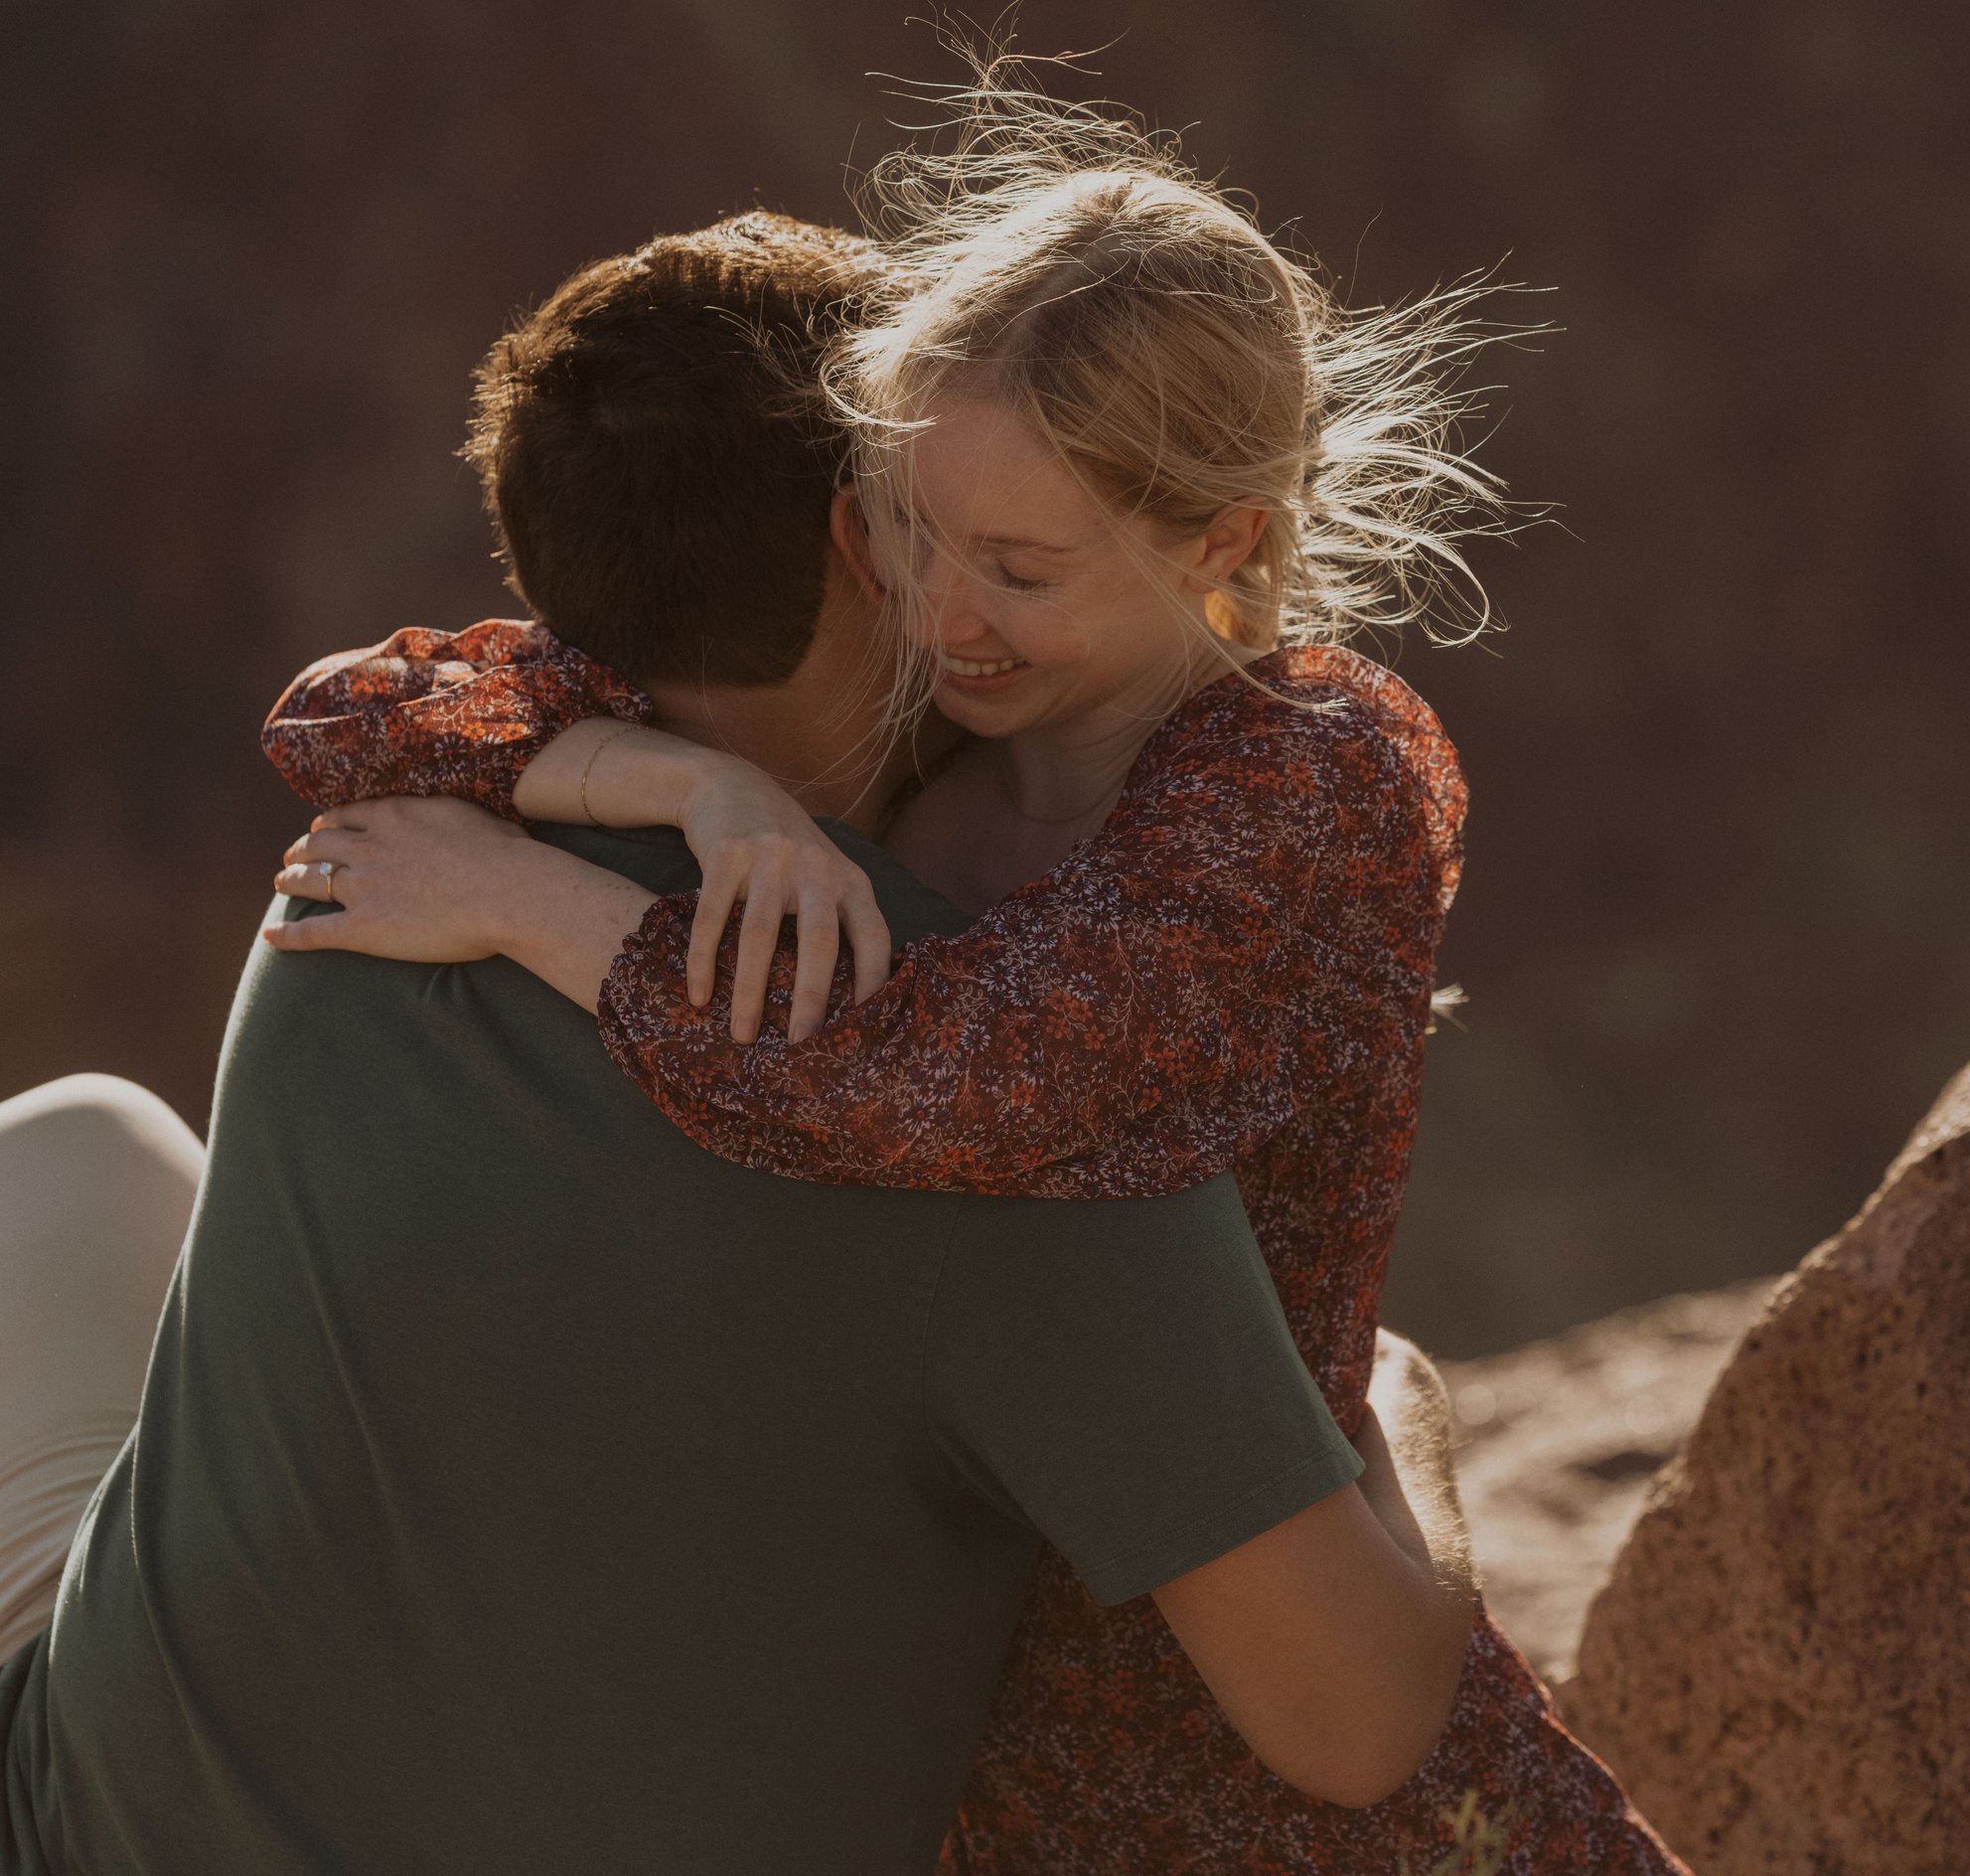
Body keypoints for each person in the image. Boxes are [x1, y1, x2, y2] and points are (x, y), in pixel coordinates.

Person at [254, 71, 1684, 1875]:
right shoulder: (931, 727)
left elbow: (972, 1084)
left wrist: (547, 906)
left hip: (1290, 1772)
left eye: (1019, 564)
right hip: (980, 1751)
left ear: (1223, 540)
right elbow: (348, 713)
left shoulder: (1312, 777)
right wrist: (669, 778)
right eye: (917, 533)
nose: (940, 610)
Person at [0, 214, 1481, 1876]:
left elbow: (350, 703)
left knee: (70, 1148)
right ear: (870, 543)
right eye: (937, 537)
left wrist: (660, 801)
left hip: (76, 1819)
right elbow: (1355, 1724)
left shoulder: (380, 874)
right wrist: (1394, 1405)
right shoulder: (1032, 1130)